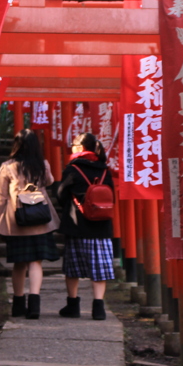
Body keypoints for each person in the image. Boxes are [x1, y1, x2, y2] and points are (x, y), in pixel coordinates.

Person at [0, 129, 60, 319]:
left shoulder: (8, 167)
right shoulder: (42, 164)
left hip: (18, 220)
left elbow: (1, 196)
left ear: (17, 145)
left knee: (19, 264)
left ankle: (18, 304)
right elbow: (50, 181)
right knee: (36, 262)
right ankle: (34, 304)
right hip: (39, 219)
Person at [56, 133, 116, 320]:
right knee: (100, 269)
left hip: (78, 225)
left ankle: (73, 305)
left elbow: (61, 195)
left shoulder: (73, 169)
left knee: (73, 268)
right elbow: (111, 195)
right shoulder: (104, 169)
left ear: (81, 148)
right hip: (101, 225)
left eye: (74, 144)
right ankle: (98, 307)